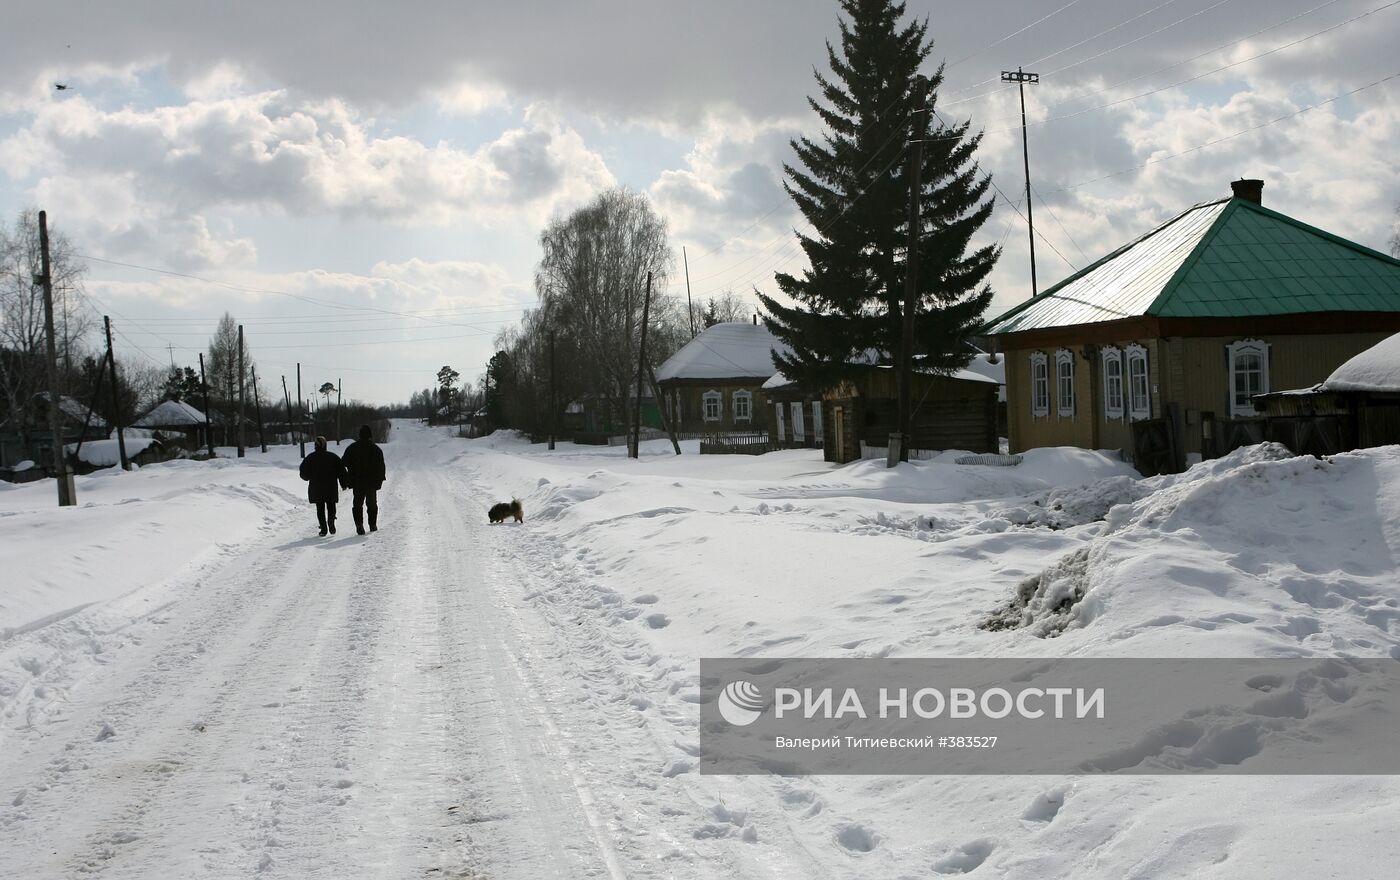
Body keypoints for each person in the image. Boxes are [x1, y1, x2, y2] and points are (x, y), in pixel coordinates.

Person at [341, 423, 386, 535]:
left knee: (357, 504)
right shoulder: (376, 449)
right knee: (371, 504)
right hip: (371, 482)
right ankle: (372, 525)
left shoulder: (351, 448)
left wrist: (348, 477)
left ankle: (359, 525)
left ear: (359, 435)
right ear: (370, 435)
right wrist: (380, 480)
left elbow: (343, 462)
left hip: (357, 481)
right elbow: (381, 467)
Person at [299, 436, 347, 536]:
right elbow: (341, 471)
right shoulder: (333, 457)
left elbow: (303, 473)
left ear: (315, 446)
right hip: (331, 487)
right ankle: (331, 521)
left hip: (316, 488)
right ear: (325, 445)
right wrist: (344, 483)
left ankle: (323, 528)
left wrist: (308, 477)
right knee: (331, 505)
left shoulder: (310, 458)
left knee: (320, 508)